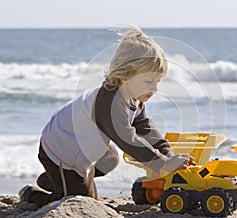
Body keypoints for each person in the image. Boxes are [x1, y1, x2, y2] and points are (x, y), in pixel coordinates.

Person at [19, 26, 196, 208]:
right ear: (126, 75)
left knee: (110, 159)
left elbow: (146, 130)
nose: (155, 89)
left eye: (157, 82)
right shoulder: (110, 102)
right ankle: (33, 194)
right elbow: (128, 139)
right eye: (148, 81)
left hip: (82, 144)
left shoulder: (133, 100)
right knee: (83, 203)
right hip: (61, 150)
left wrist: (169, 155)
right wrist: (163, 164)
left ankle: (57, 180)